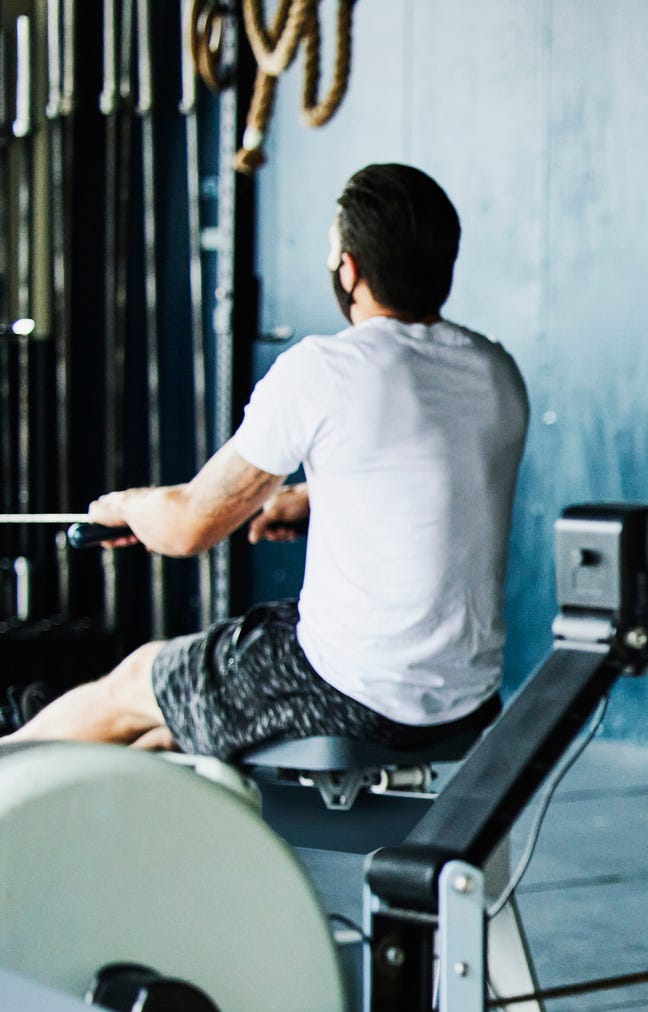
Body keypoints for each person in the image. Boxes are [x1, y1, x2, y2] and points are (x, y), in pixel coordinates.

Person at [2, 164, 527, 760]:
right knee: (174, 719)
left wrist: (128, 505)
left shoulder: (328, 368)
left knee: (136, 679)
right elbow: (436, 481)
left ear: (349, 271)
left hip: (351, 690)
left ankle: (12, 765)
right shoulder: (494, 371)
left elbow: (188, 525)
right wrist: (308, 499)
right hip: (466, 695)